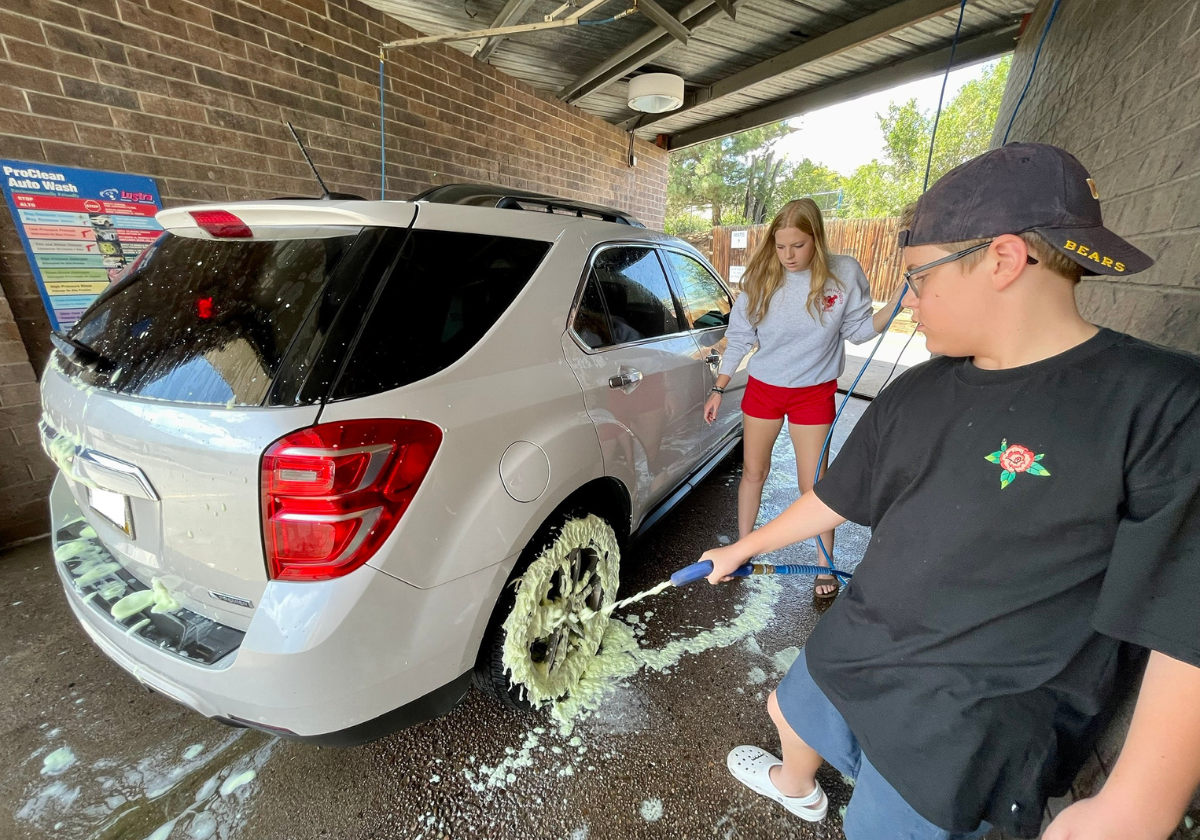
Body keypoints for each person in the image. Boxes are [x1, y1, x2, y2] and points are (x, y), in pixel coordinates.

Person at [699, 143, 1200, 840]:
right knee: (790, 708)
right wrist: (744, 547)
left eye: (919, 277)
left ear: (1001, 259)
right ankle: (797, 785)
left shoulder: (1164, 405)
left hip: (974, 703)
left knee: (880, 826)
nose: (910, 299)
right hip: (865, 633)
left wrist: (1136, 804)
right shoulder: (920, 387)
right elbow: (840, 495)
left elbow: (1185, 614)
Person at [704, 199, 902, 600]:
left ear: (816, 239)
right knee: (753, 472)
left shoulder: (843, 273)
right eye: (780, 246)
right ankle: (741, 551)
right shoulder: (761, 277)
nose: (788, 255)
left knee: (815, 485)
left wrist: (903, 295)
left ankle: (824, 564)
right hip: (764, 388)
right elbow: (741, 338)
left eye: (798, 245)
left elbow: (861, 330)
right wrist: (719, 386)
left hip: (814, 392)